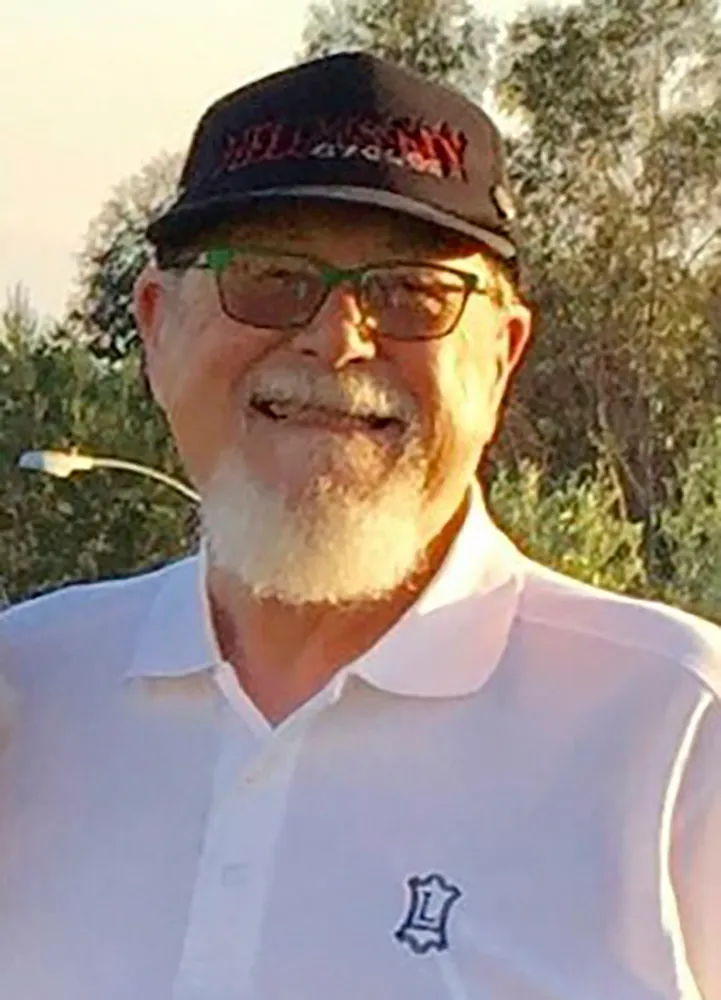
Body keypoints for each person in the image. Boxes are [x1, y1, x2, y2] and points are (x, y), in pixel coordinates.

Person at [1, 51, 720, 1000]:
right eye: (269, 277)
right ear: (154, 325)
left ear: (501, 356)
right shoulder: (26, 693)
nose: (337, 339)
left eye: (411, 294)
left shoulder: (681, 732)